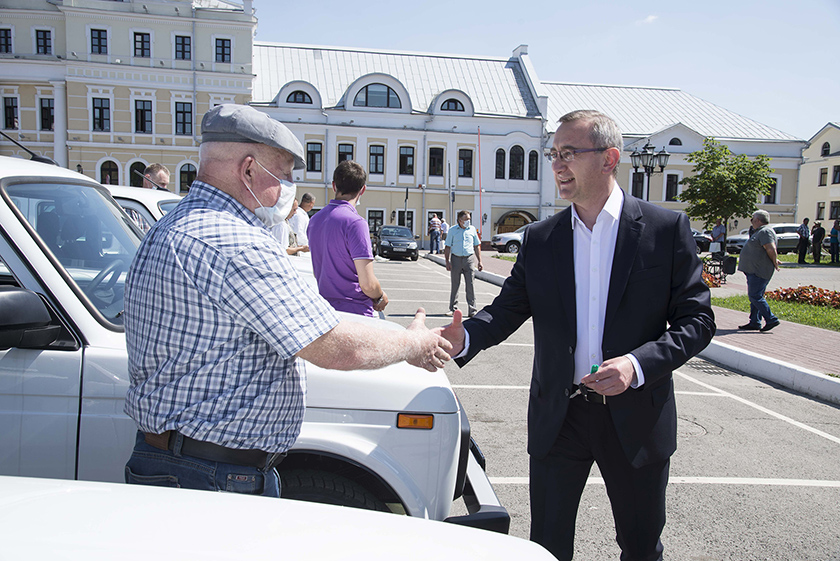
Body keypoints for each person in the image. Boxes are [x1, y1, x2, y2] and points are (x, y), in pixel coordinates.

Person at [122, 104, 451, 497]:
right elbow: (333, 347)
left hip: (184, 463)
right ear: (248, 170)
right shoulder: (234, 241)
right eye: (283, 174)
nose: (288, 188)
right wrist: (413, 342)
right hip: (213, 474)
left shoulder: (175, 224)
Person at [440, 110, 715, 560]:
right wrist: (462, 338)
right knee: (547, 546)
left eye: (568, 153)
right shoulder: (541, 238)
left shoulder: (665, 231)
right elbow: (507, 311)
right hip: (560, 416)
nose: (557, 166)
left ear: (609, 158)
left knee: (641, 545)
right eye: (553, 155)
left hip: (635, 417)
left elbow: (697, 321)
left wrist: (636, 364)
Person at [308, 160, 389, 317]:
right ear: (363, 189)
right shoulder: (356, 223)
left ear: (334, 186)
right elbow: (367, 284)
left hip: (325, 310)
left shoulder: (315, 220)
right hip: (355, 312)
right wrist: (380, 296)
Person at [737, 210, 781, 331]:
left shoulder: (765, 231)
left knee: (755, 296)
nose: (751, 222)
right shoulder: (760, 232)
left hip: (759, 271)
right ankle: (755, 322)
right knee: (755, 297)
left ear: (758, 220)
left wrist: (774, 261)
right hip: (754, 270)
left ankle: (771, 319)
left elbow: (771, 248)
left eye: (752, 219)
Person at [444, 210, 483, 318]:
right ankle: (452, 308)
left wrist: (479, 261)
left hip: (469, 259)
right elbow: (447, 246)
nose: (468, 221)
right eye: (466, 219)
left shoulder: (472, 230)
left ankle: (472, 310)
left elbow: (476, 245)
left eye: (469, 219)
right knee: (455, 285)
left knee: (470, 285)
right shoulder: (452, 230)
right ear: (460, 220)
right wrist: (447, 261)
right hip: (456, 259)